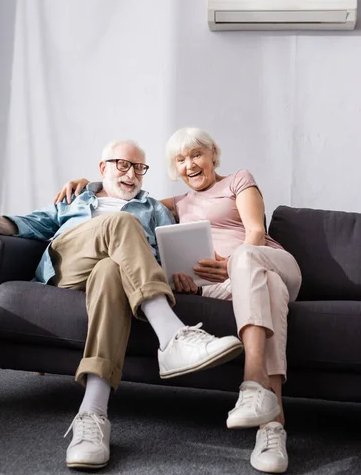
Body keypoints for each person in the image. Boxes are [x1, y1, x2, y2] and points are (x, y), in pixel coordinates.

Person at [0, 139, 243, 472]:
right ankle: (172, 336)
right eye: (123, 165)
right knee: (122, 224)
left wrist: (179, 278)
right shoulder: (77, 198)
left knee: (111, 269)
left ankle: (92, 414)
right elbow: (32, 224)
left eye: (139, 168)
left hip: (111, 276)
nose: (131, 174)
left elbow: (161, 258)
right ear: (103, 168)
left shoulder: (154, 208)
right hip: (68, 264)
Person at [54, 129, 302, 474]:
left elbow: (255, 234)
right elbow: (122, 197)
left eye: (196, 154)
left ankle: (251, 384)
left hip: (267, 261)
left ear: (213, 155)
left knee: (250, 263)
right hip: (228, 288)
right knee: (266, 292)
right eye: (180, 160)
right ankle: (272, 426)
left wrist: (231, 263)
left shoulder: (238, 181)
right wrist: (87, 183)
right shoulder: (174, 204)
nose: (190, 164)